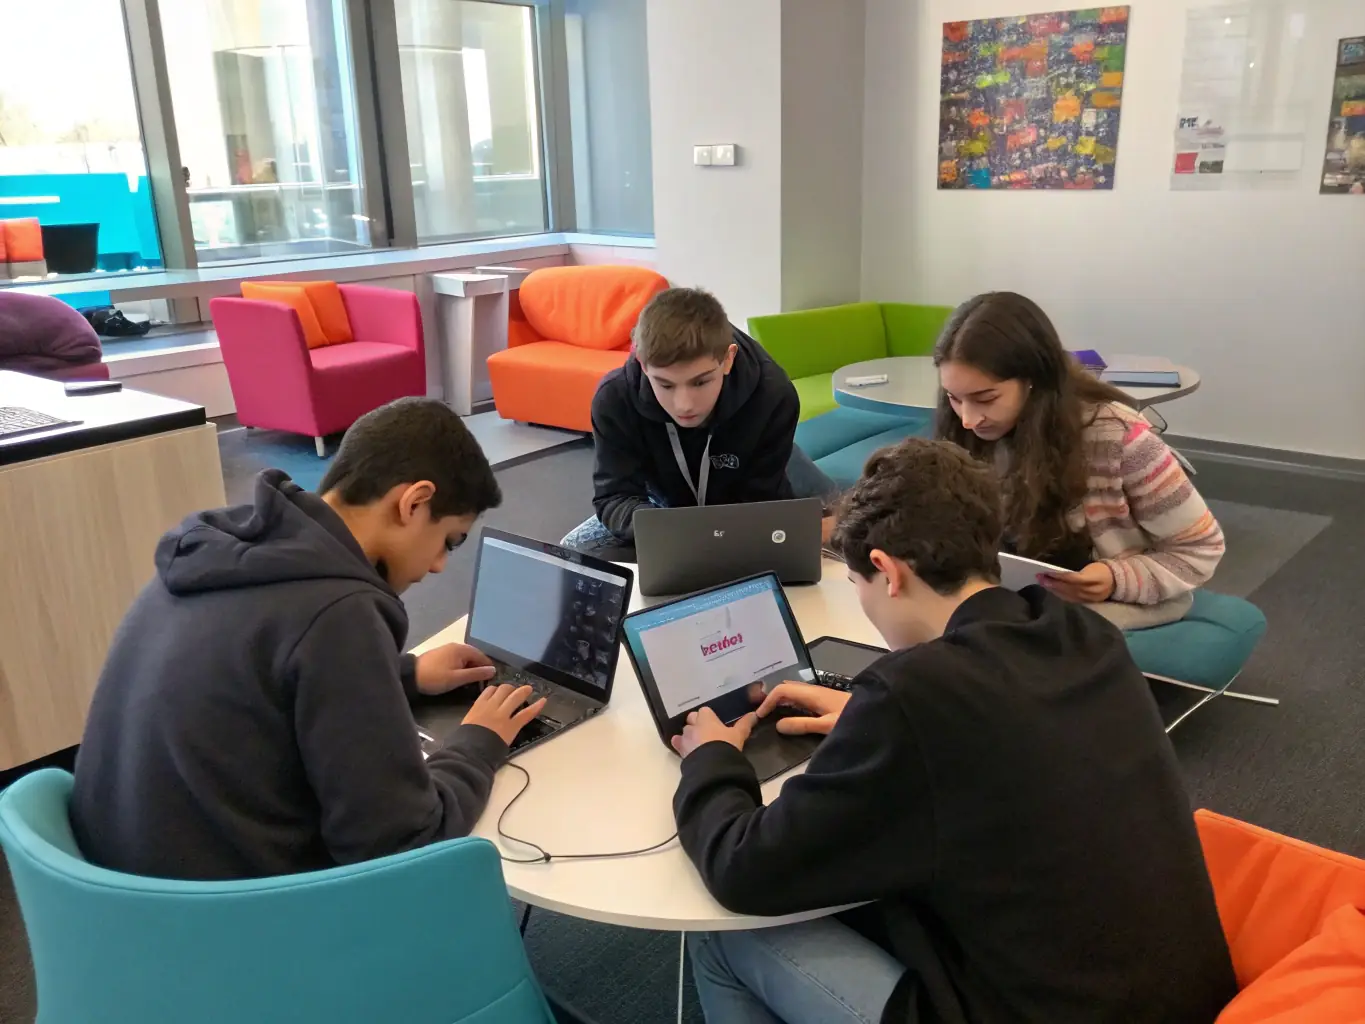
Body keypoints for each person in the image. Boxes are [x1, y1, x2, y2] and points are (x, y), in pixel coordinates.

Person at [670, 438, 1236, 1024]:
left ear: (886, 572)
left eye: (858, 585)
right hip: (1176, 994)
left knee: (725, 936)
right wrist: (865, 719)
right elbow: (1005, 746)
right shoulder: (1081, 635)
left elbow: (744, 870)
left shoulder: (914, 695)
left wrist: (712, 759)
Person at [72, 398, 547, 881]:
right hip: (227, 913)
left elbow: (264, 679)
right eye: (450, 540)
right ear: (413, 502)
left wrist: (403, 674)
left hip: (118, 892)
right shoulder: (339, 613)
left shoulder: (225, 553)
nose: (440, 565)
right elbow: (398, 840)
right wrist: (478, 743)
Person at [933, 291, 1224, 630]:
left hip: (1106, 600)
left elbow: (1200, 549)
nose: (968, 419)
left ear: (1034, 381)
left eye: (985, 398)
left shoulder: (1121, 440)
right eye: (954, 398)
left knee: (1030, 633)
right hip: (1012, 589)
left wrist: (1115, 578)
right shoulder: (966, 432)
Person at [561, 287, 837, 557]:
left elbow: (759, 506)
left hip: (756, 461)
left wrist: (713, 539)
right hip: (666, 485)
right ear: (643, 366)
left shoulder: (773, 394)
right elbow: (615, 497)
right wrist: (678, 534)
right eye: (665, 385)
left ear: (728, 360)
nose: (684, 405)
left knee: (837, 528)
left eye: (701, 381)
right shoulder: (615, 398)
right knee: (574, 552)